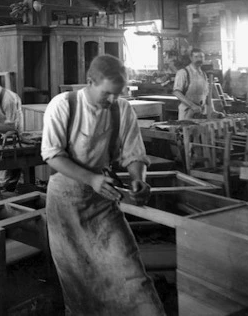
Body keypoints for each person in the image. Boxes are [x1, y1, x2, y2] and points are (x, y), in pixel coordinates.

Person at [41, 54, 164, 315]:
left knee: (129, 269)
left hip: (102, 198)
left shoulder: (122, 109)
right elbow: (52, 155)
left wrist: (138, 178)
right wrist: (91, 179)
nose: (111, 100)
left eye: (116, 94)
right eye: (106, 94)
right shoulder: (62, 105)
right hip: (66, 199)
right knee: (78, 278)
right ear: (90, 82)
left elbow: (133, 153)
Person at [172, 48, 216, 120]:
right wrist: (192, 105)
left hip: (201, 113)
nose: (199, 59)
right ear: (191, 58)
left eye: (201, 57)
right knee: (186, 130)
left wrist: (212, 111)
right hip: (187, 112)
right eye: (196, 57)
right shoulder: (183, 72)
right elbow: (176, 92)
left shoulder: (203, 74)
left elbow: (207, 95)